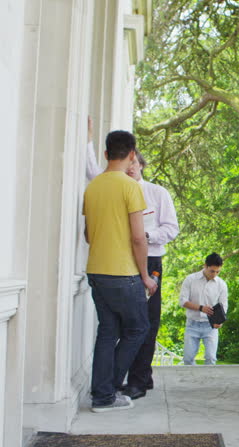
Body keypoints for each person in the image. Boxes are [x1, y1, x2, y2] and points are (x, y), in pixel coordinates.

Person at [83, 130, 158, 413]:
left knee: (108, 331)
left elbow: (88, 235)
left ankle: (102, 395)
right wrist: (145, 276)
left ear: (105, 154)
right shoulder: (131, 187)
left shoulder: (92, 187)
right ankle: (106, 391)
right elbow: (139, 238)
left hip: (96, 270)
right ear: (131, 155)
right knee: (139, 327)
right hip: (122, 273)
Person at [179, 253, 228, 365]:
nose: (214, 274)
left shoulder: (222, 285)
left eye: (218, 272)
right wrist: (201, 308)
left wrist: (220, 322)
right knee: (188, 359)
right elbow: (182, 301)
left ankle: (208, 381)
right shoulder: (190, 279)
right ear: (205, 266)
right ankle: (192, 381)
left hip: (210, 326)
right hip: (192, 324)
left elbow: (224, 306)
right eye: (212, 271)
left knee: (211, 359)